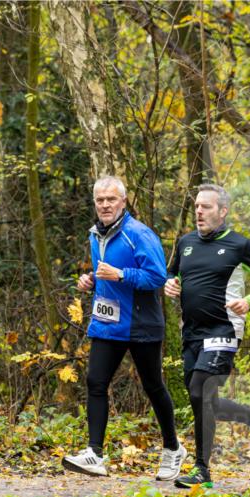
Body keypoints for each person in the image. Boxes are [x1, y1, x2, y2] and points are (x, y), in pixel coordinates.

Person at [63, 176, 185, 479]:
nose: (105, 205)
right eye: (100, 200)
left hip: (141, 322)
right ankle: (95, 454)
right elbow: (104, 276)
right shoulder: (95, 235)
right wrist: (90, 281)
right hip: (107, 323)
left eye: (111, 199)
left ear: (123, 201)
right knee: (95, 382)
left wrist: (120, 274)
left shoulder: (139, 235)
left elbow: (157, 277)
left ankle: (173, 448)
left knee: (153, 386)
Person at [164, 184, 250, 488]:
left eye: (206, 207)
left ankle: (202, 471)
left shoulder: (239, 245)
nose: (199, 212)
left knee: (199, 391)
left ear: (223, 211)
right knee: (207, 401)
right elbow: (172, 274)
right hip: (191, 332)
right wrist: (170, 284)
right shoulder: (186, 242)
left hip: (224, 329)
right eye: (196, 207)